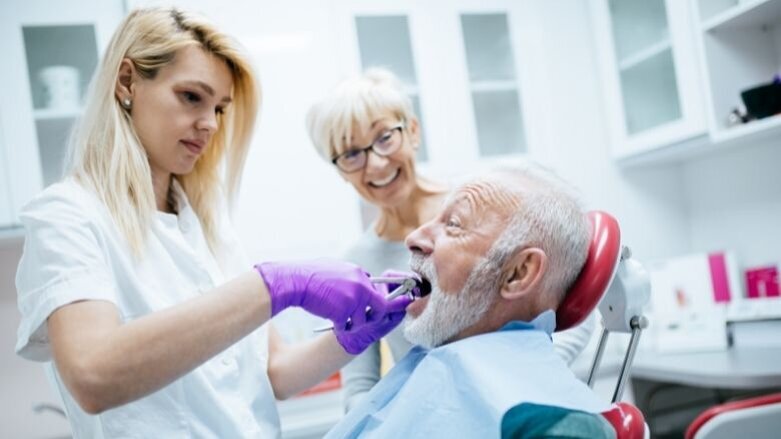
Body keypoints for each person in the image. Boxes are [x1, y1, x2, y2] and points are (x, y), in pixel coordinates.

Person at [14, 8, 410, 437]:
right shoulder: (68, 216)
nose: (209, 124)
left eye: (220, 108)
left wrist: (356, 335)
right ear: (127, 82)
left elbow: (275, 372)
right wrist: (277, 285)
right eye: (191, 97)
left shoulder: (207, 223)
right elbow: (92, 374)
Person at [305, 68, 596, 412]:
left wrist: (523, 381)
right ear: (339, 169)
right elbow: (360, 385)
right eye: (352, 154)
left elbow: (574, 293)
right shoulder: (357, 262)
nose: (376, 164)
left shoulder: (487, 204)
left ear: (412, 130)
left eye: (384, 137)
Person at [324, 165, 610, 438]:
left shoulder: (555, 425)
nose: (413, 238)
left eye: (454, 224)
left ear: (518, 273)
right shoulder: (436, 369)